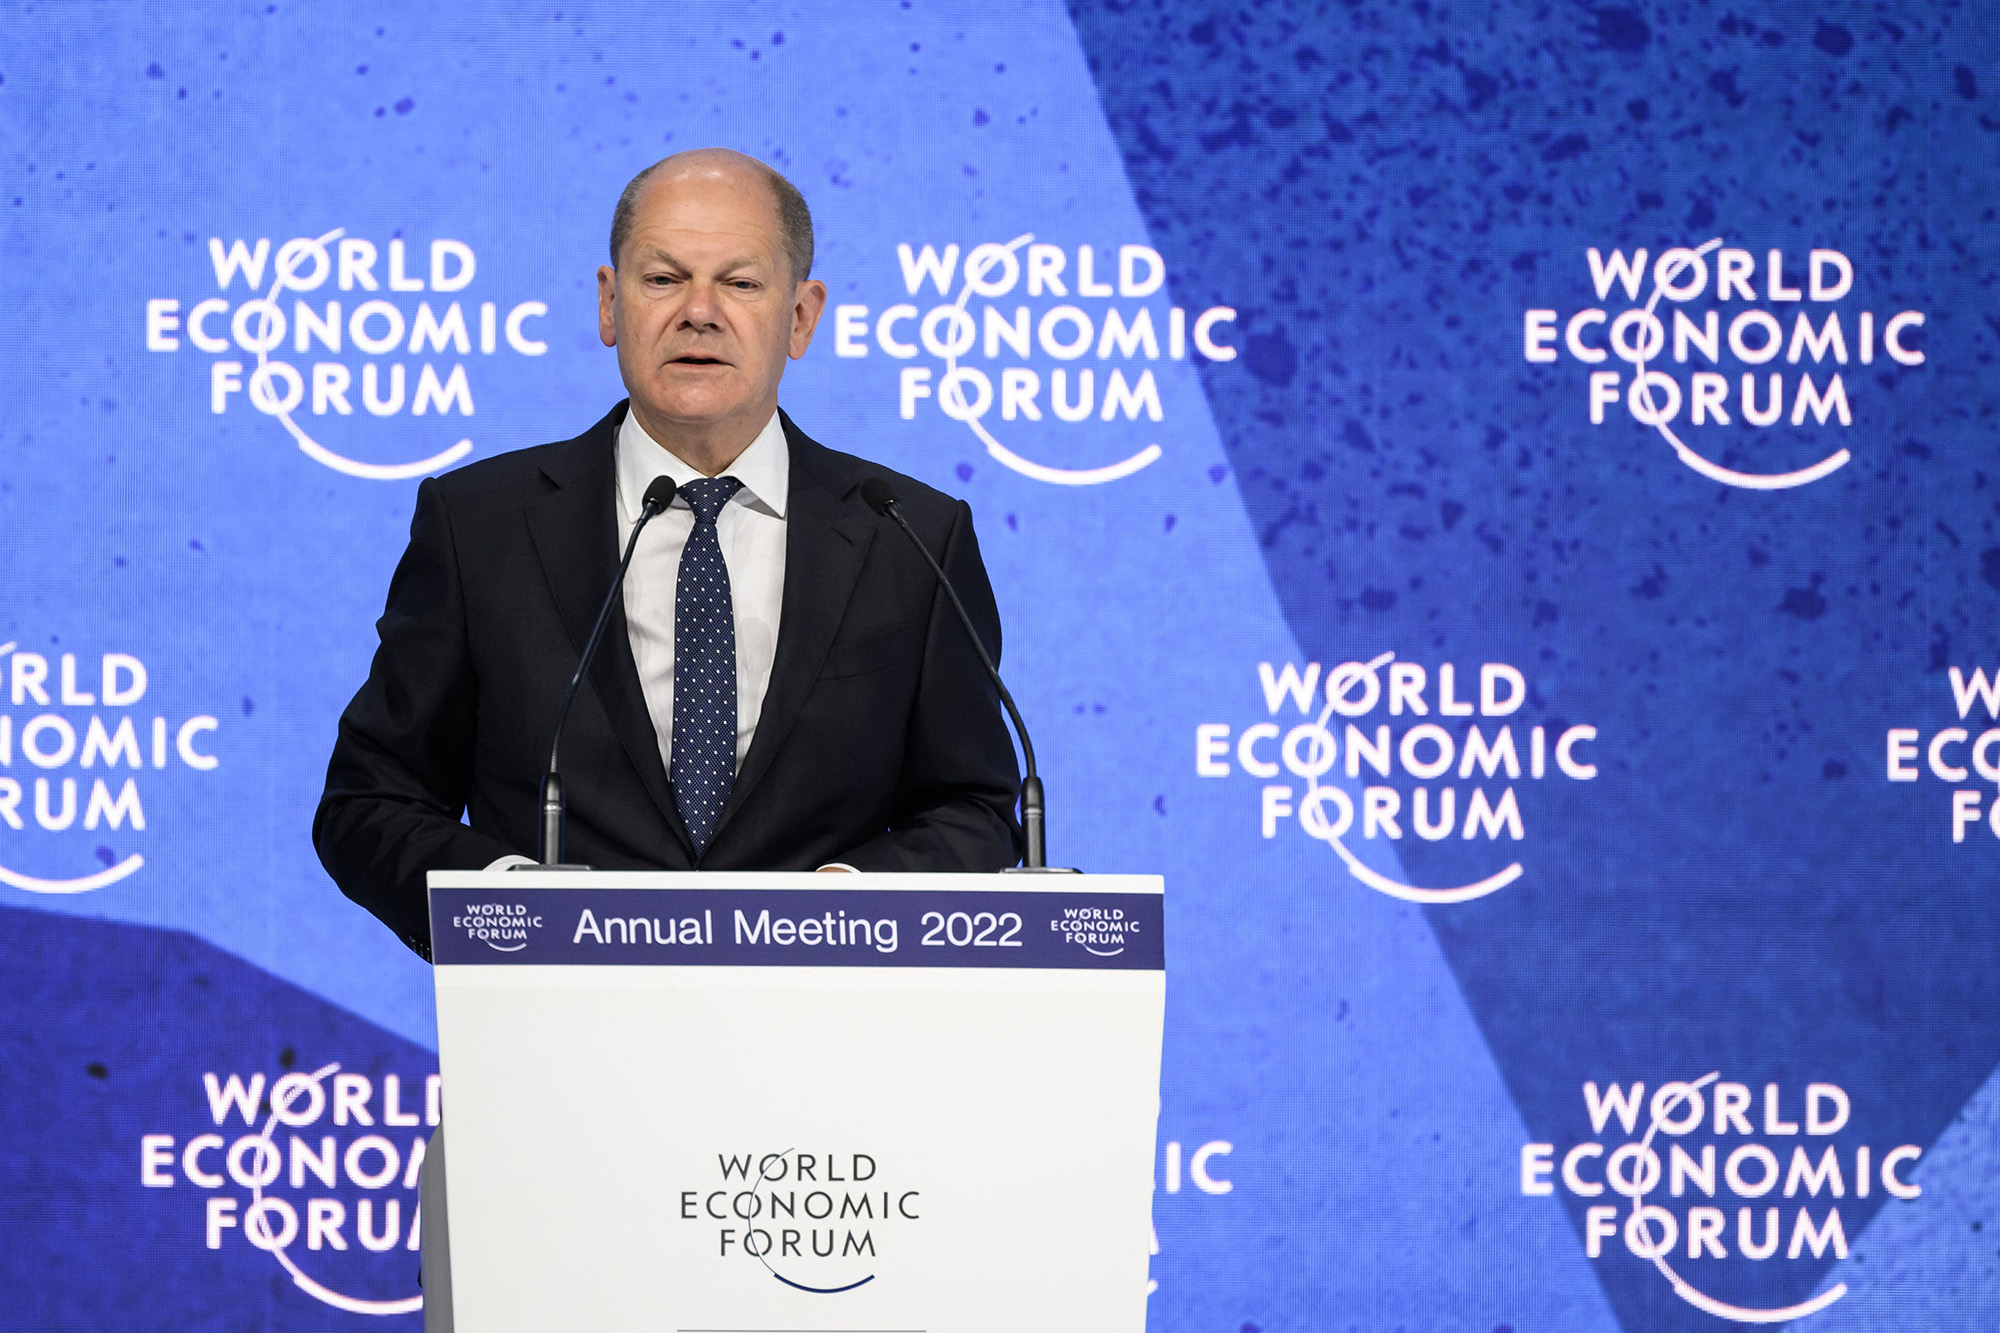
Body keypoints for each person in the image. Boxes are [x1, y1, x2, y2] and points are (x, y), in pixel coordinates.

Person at [311, 149, 1023, 1328]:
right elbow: (366, 801)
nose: (698, 311)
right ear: (607, 305)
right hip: (545, 1106)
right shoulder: (480, 523)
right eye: (662, 277)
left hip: (828, 1142)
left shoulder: (909, 533)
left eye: (739, 283)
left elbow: (973, 805)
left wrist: (849, 900)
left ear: (801, 317)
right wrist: (503, 902)